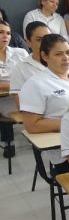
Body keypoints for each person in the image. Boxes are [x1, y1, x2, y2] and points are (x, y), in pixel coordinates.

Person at [19, 34, 69, 134]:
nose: (66, 58)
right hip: (59, 141)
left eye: (68, 52)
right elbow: (32, 126)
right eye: (58, 54)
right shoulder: (35, 84)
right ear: (45, 56)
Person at [10, 22, 69, 94]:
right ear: (28, 42)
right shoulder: (20, 69)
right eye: (39, 40)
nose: (45, 43)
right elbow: (20, 103)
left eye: (48, 38)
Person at [0, 20, 28, 155]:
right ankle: (7, 142)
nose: (5, 36)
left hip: (23, 95)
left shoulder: (20, 53)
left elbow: (30, 76)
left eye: (8, 33)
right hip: (4, 100)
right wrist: (17, 83)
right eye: (1, 32)